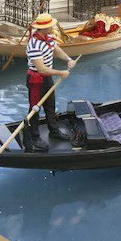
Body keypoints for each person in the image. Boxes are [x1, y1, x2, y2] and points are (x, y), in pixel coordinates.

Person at [23, 13, 76, 152]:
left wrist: (69, 59)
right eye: (50, 25)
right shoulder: (34, 45)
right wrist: (60, 73)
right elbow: (41, 69)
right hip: (36, 79)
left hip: (46, 77)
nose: (53, 27)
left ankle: (54, 130)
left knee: (50, 104)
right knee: (35, 109)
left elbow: (57, 51)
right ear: (43, 28)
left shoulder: (49, 38)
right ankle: (34, 137)